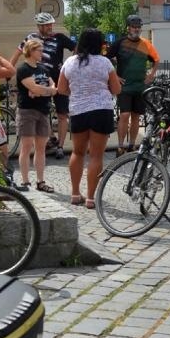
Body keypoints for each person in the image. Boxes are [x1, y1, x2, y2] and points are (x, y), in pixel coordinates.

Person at [57, 28, 122, 208]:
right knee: (96, 155)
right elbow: (116, 90)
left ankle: (75, 193)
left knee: (77, 153)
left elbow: (61, 89)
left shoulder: (70, 62)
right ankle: (91, 197)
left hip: (78, 110)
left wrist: (77, 91)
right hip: (101, 110)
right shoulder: (105, 63)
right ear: (99, 44)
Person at [11, 13, 75, 158]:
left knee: (62, 114)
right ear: (39, 26)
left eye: (51, 24)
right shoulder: (31, 38)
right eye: (46, 25)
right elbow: (17, 53)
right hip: (38, 79)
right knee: (41, 112)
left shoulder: (59, 37)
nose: (49, 27)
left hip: (59, 79)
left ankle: (59, 146)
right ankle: (51, 138)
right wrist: (9, 70)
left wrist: (69, 64)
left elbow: (76, 48)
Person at [108, 15, 160, 155]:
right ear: (128, 28)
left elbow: (156, 60)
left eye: (138, 27)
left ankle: (132, 145)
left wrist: (151, 74)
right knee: (124, 115)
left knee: (136, 116)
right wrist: (115, 76)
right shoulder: (120, 43)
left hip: (139, 87)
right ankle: (120, 146)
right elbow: (106, 60)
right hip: (124, 86)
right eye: (134, 27)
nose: (136, 29)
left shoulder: (145, 44)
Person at [15, 38, 57, 192]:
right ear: (31, 51)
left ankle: (41, 181)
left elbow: (53, 86)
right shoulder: (23, 69)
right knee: (26, 146)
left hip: (43, 110)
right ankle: (25, 182)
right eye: (39, 50)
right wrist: (43, 90)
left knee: (41, 147)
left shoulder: (43, 69)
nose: (42, 53)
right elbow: (37, 88)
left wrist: (41, 91)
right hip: (27, 111)